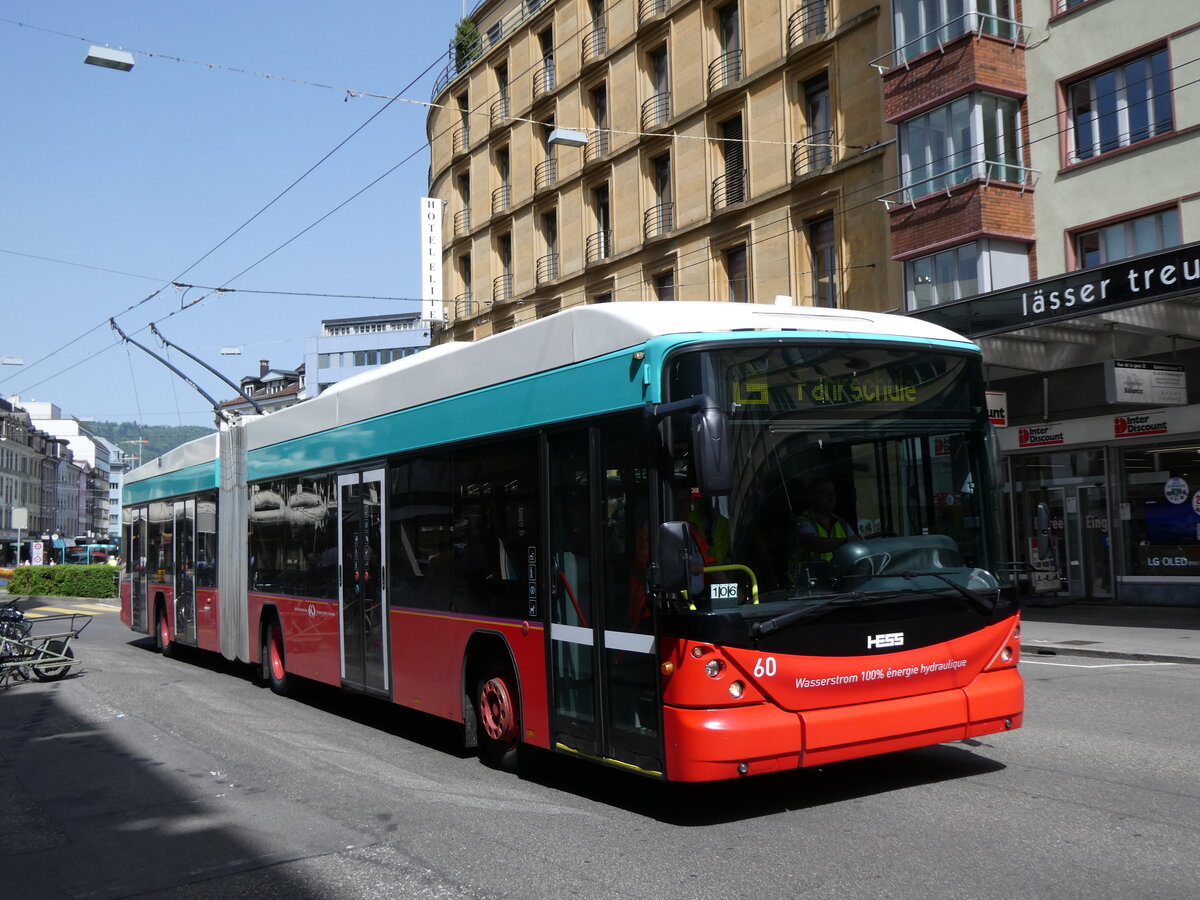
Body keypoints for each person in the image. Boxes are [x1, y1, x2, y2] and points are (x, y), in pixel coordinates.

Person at [796, 477, 857, 562]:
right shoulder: (802, 522)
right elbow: (812, 542)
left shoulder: (842, 524)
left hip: (835, 574)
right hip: (808, 575)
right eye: (824, 493)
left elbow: (855, 546)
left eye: (833, 493)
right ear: (811, 497)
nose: (831, 498)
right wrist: (844, 542)